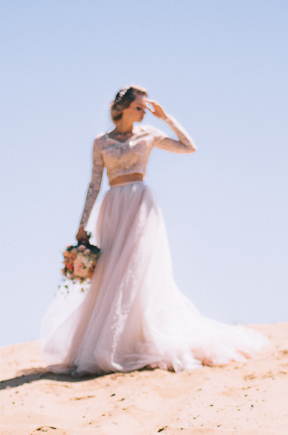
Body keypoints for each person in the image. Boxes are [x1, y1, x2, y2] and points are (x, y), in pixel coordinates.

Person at [41, 86, 268, 375]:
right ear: (123, 108)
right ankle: (111, 342)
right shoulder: (101, 142)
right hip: (113, 206)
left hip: (140, 205)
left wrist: (166, 118)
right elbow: (94, 183)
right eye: (139, 106)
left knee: (139, 268)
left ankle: (141, 338)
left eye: (145, 107)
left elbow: (189, 147)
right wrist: (82, 224)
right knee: (113, 271)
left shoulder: (148, 133)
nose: (144, 111)